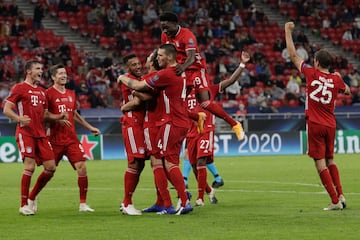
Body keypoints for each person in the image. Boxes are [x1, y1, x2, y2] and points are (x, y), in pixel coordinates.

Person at [118, 44, 193, 215]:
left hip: (162, 122)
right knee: (161, 161)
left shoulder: (162, 75)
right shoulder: (178, 73)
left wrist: (123, 83)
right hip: (173, 122)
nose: (154, 58)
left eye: (157, 56)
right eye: (156, 56)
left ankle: (176, 200)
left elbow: (141, 91)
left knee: (163, 162)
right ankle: (166, 200)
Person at [285, 22, 350, 211]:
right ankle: (341, 195)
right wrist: (338, 77)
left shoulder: (310, 73)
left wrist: (287, 32)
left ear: (317, 63)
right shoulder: (336, 78)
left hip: (314, 123)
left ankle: (334, 201)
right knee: (331, 160)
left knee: (319, 163)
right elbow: (347, 91)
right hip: (330, 124)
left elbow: (293, 55)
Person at [159, 12, 245, 141]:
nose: (165, 31)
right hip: (181, 71)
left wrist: (182, 67)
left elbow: (191, 57)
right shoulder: (165, 36)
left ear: (175, 24)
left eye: (167, 27)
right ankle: (197, 118)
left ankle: (234, 124)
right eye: (163, 28)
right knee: (176, 103)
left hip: (195, 69)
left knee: (204, 102)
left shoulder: (187, 35)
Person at [185, 51, 251, 207]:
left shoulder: (209, 90)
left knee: (201, 161)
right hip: (191, 132)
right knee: (194, 166)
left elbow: (231, 80)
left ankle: (200, 198)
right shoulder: (184, 90)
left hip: (206, 129)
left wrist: (242, 64)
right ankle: (209, 191)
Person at [2, 59, 64, 215]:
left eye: (41, 68)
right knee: (29, 166)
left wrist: (58, 117)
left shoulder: (42, 91)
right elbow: (6, 109)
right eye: (37, 68)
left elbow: (44, 114)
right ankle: (23, 205)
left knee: (51, 168)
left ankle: (32, 196)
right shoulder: (19, 88)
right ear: (28, 71)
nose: (41, 71)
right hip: (26, 132)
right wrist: (18, 119)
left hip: (41, 134)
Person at [46, 64, 101, 212]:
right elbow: (43, 116)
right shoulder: (48, 94)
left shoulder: (71, 93)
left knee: (82, 168)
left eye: (65, 73)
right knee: (48, 171)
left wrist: (90, 128)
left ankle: (83, 204)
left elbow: (75, 114)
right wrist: (57, 118)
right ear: (53, 77)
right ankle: (32, 197)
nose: (64, 75)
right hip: (55, 139)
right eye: (60, 73)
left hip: (71, 138)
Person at [118, 54, 147, 215]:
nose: (138, 66)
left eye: (138, 63)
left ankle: (127, 201)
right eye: (133, 65)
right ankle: (127, 203)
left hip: (141, 124)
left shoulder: (139, 78)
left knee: (141, 163)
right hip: (132, 123)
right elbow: (139, 99)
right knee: (135, 163)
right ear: (128, 68)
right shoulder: (128, 80)